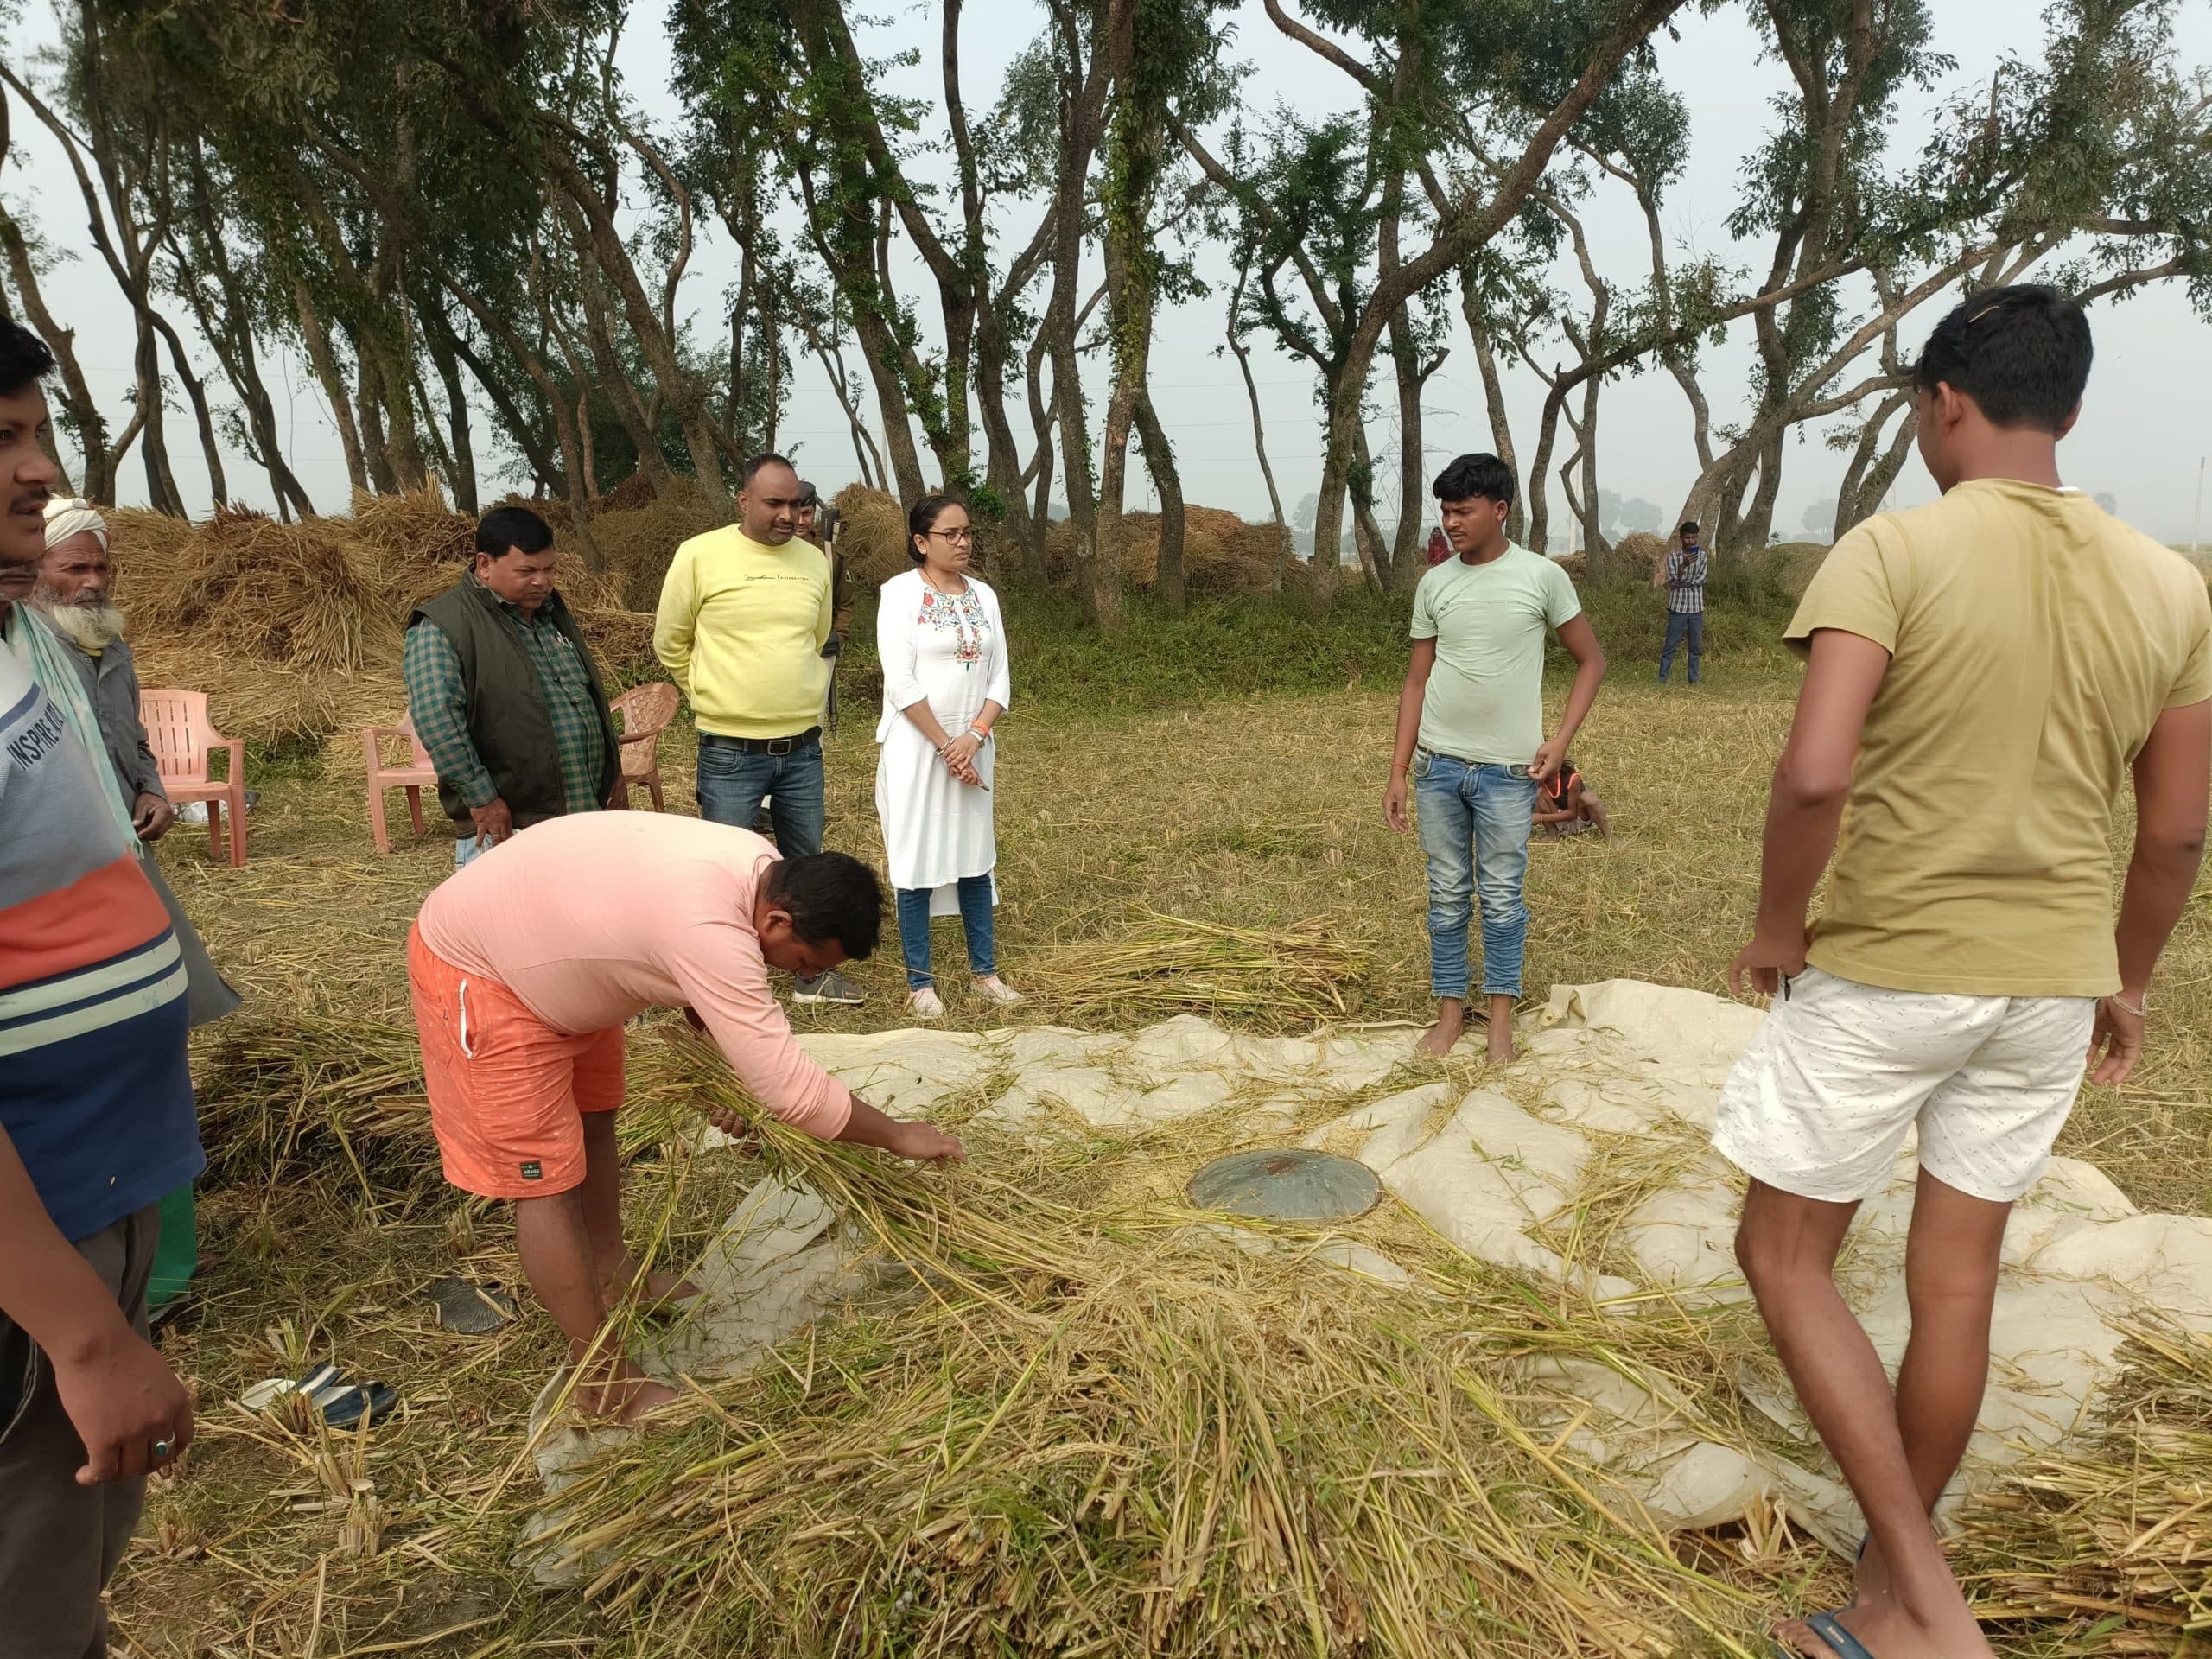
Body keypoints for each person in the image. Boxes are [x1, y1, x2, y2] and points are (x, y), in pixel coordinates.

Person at [1717, 286, 2210, 1659]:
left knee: (1781, 1251)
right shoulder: (2173, 583)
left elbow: (1816, 774)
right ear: (2071, 406)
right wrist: (2129, 976)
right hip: (2052, 985)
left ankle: (1926, 1604)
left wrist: (1773, 928)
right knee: (1955, 1288)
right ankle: (1882, 1593)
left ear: (1946, 399)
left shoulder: (1893, 550)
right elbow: (2175, 825)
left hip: (1894, 972)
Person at [407, 811, 963, 1421]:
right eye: (805, 961)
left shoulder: (756, 868)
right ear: (778, 919)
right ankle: (604, 1382)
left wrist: (719, 1080)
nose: (805, 977)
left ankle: (615, 1275)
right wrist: (895, 1135)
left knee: (596, 1119)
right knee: (545, 1183)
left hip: (557, 961)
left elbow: (707, 998)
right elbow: (792, 1093)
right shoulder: (708, 923)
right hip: (485, 972)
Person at [0, 321, 202, 1659]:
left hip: (107, 1186)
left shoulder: (29, 632)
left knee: (71, 1568)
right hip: (31, 1253)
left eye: (31, 431)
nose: (35, 470)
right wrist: (79, 1338)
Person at [34, 496, 242, 1313]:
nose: (90, 582)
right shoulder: (28, 653)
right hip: (62, 883)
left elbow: (127, 739)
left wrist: (152, 789)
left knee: (155, 1031)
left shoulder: (109, 644)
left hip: (128, 859)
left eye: (100, 567)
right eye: (73, 566)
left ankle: (161, 1268)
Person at [1383, 453, 1606, 1062]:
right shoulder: (1436, 584)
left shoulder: (1541, 577)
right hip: (1439, 769)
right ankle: (1450, 1015)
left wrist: (1559, 742)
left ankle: (1501, 1021)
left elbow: (1592, 660)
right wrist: (1399, 770)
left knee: (1503, 896)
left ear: (1500, 509)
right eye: (1446, 511)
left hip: (1511, 773)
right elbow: (1415, 682)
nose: (1451, 522)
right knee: (1447, 893)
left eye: (1464, 510)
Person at [655, 452, 864, 1007]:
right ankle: (718, 983)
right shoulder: (700, 555)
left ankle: (811, 977)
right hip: (728, 750)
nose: (788, 515)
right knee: (723, 874)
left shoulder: (815, 561)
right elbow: (670, 640)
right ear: (743, 500)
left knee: (804, 869)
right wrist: (708, 693)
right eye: (774, 503)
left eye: (797, 504)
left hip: (802, 748)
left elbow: (817, 636)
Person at [404, 505, 621, 869]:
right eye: (527, 571)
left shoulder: (552, 617)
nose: (542, 581)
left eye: (549, 569)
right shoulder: (444, 625)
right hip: (509, 826)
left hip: (581, 816)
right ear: (485, 564)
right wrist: (482, 798)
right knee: (510, 925)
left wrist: (611, 776)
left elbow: (585, 702)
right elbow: (438, 721)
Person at [874, 494, 1020, 1019]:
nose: (963, 543)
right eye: (950, 535)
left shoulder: (984, 595)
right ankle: (920, 982)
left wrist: (974, 737)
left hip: (973, 746)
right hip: (917, 748)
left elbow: (999, 675)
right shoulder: (899, 594)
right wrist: (944, 743)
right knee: (915, 857)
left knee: (974, 854)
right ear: (921, 542)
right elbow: (901, 680)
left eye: (967, 533)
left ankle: (985, 971)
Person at [1658, 520, 1707, 684]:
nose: (1691, 541)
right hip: (1677, 607)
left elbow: (1701, 579)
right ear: (1681, 538)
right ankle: (1662, 679)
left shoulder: (1703, 557)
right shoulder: (1673, 558)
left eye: (1694, 538)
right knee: (1670, 645)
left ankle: (1694, 679)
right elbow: (1673, 579)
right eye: (1687, 538)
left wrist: (1681, 582)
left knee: (1695, 647)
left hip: (1696, 608)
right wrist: (1683, 567)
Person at [1531, 756, 1609, 840]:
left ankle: (1609, 836)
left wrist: (1541, 817)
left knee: (1589, 798)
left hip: (1578, 820)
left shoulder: (1572, 779)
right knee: (1538, 793)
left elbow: (1572, 814)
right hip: (1559, 820)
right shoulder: (1541, 782)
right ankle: (1552, 832)